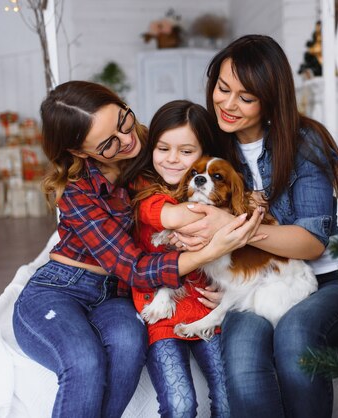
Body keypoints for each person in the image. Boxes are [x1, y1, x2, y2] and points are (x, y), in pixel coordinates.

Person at [12, 81, 264, 418]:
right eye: (108, 144)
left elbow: (208, 169)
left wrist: (248, 201)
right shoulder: (77, 192)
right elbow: (132, 267)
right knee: (85, 362)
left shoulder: (156, 148)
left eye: (124, 121)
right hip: (62, 287)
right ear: (80, 152)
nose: (127, 139)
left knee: (129, 346)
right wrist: (206, 250)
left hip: (117, 296)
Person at [171, 34, 338, 418]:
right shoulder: (214, 143)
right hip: (258, 281)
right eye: (222, 88)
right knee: (242, 357)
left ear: (270, 100)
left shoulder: (304, 142)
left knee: (295, 336)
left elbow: (312, 243)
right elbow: (167, 169)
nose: (228, 104)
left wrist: (236, 226)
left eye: (245, 98)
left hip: (334, 281)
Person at [130, 100, 229, 417]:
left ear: (204, 154)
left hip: (203, 306)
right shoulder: (143, 188)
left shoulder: (214, 187)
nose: (172, 159)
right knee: (180, 403)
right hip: (159, 311)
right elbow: (166, 216)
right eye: (163, 148)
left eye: (186, 152)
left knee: (229, 397)